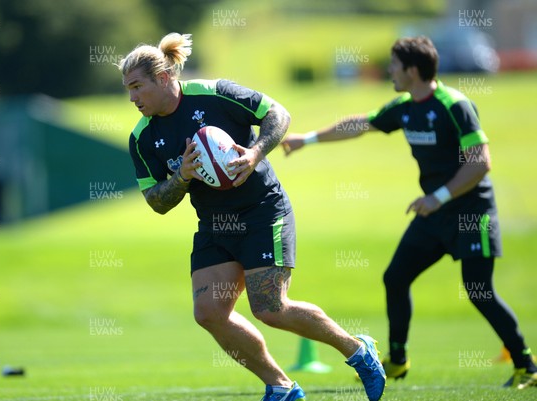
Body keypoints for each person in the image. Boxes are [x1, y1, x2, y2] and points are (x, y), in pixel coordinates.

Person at [118, 33, 386, 401]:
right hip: (214, 224)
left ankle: (358, 350)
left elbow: (278, 113)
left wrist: (256, 153)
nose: (132, 98)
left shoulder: (214, 93)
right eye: (127, 90)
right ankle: (281, 386)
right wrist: (182, 176)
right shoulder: (141, 138)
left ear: (163, 79)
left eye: (137, 87)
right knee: (209, 312)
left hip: (262, 210)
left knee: (271, 308)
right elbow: (156, 202)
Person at [281, 36, 536, 390]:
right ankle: (397, 361)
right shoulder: (405, 106)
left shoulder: (454, 105)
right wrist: (306, 139)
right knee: (396, 278)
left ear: (412, 70)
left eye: (395, 65)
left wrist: (439, 197)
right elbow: (360, 124)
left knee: (478, 289)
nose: (390, 71)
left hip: (470, 211)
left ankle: (527, 365)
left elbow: (480, 163)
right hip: (435, 212)